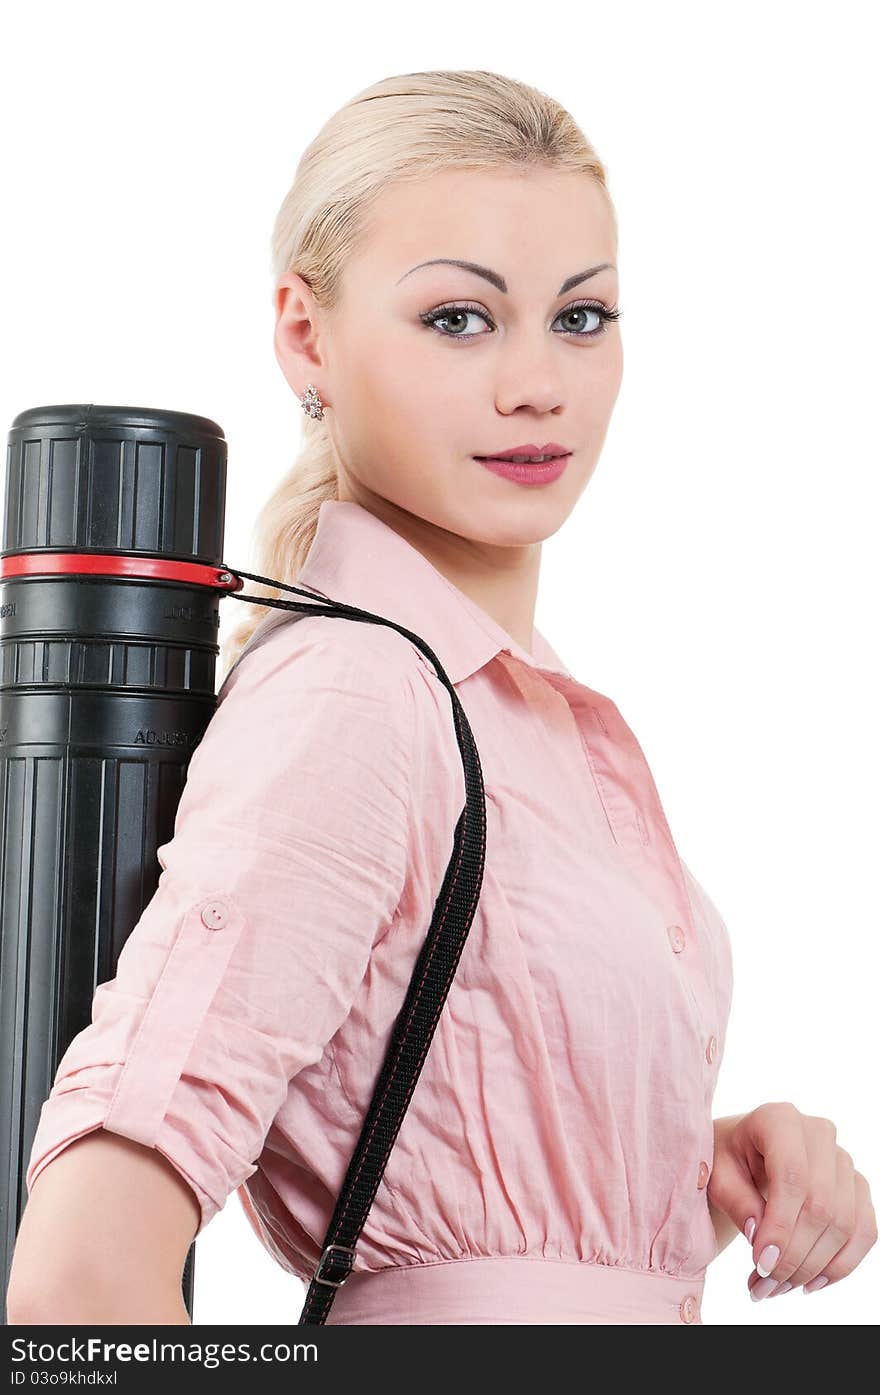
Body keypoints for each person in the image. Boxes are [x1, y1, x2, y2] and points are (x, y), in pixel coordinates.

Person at [7, 68, 875, 1328]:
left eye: (580, 318)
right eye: (460, 319)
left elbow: (462, 1185)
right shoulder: (360, 695)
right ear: (307, 336)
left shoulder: (509, 707)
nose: (538, 384)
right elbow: (83, 1276)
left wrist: (700, 1170)